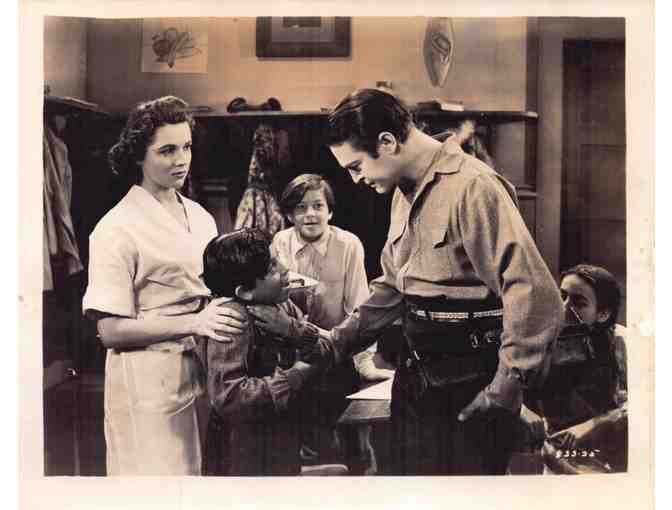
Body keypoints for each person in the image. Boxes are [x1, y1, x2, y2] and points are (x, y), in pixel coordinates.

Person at [251, 88, 563, 475]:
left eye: (356, 166)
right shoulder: (402, 190)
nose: (355, 179)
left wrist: (507, 387)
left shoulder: (474, 187)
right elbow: (393, 287)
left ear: (387, 142)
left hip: (470, 385)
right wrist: (333, 344)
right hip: (417, 380)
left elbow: (535, 294)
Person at [82, 96, 247, 476]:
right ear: (138, 155)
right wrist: (193, 323)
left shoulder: (201, 217)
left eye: (186, 147)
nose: (181, 160)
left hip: (201, 370)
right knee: (156, 484)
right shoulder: (116, 228)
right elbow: (110, 331)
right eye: (167, 150)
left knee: (200, 481)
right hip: (148, 381)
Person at [273, 173, 394, 474]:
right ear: (289, 214)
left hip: (339, 352)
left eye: (318, 206)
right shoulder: (280, 242)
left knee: (351, 440)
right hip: (295, 356)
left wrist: (364, 361)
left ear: (330, 211)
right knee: (303, 440)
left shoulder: (348, 244)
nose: (310, 214)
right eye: (301, 208)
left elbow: (358, 304)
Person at [200, 228, 323, 475]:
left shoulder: (280, 302)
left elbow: (322, 350)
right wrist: (292, 379)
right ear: (244, 291)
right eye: (271, 268)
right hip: (242, 450)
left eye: (278, 259)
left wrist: (292, 330)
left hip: (279, 436)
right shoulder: (231, 320)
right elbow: (229, 396)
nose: (285, 269)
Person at [521, 264, 628, 473]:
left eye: (579, 303)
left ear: (603, 314)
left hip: (612, 460)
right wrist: (524, 412)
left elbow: (647, 405)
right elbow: (509, 388)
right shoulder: (542, 341)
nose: (563, 308)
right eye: (561, 296)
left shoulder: (620, 341)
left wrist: (594, 425)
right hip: (558, 459)